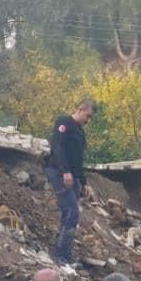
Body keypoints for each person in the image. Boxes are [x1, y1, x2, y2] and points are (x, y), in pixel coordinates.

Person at [46, 99, 96, 265]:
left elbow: (78, 161)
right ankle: (60, 256)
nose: (88, 121)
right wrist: (65, 171)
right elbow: (57, 147)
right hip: (58, 173)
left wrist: (85, 183)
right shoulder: (64, 122)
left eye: (90, 119)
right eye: (87, 116)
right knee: (72, 211)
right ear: (80, 109)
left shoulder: (80, 133)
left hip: (73, 177)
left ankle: (65, 255)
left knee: (71, 215)